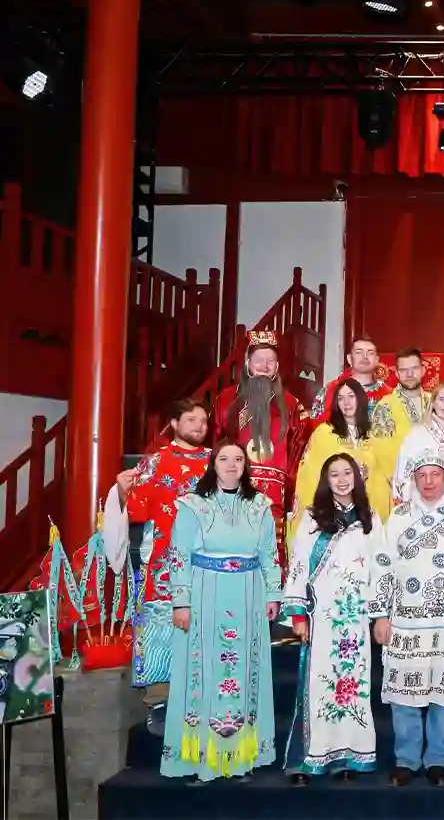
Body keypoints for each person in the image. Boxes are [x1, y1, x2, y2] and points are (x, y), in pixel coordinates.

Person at [159, 441, 282, 782]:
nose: (231, 465)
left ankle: (240, 756)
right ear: (213, 464)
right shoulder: (193, 505)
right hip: (204, 596)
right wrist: (181, 602)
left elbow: (270, 554)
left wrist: (273, 594)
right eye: (224, 459)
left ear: (246, 465)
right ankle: (201, 757)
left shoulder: (260, 506)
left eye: (238, 459)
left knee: (245, 670)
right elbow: (179, 556)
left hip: (249, 595)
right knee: (203, 672)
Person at [376, 450, 444, 787]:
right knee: (404, 691)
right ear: (413, 479)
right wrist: (380, 615)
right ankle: (406, 759)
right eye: (421, 475)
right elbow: (382, 565)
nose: (428, 482)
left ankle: (438, 759)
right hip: (405, 620)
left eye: (435, 474)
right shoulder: (399, 516)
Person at [102, 398, 210, 734]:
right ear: (174, 424)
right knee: (160, 628)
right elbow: (136, 510)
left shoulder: (217, 461)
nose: (199, 426)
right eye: (191, 419)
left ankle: (205, 699)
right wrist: (122, 493)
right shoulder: (154, 463)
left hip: (209, 560)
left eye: (203, 420)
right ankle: (159, 700)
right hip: (164, 559)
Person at [283, 454, 387, 784]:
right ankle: (309, 759)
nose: (342, 480)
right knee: (319, 685)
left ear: (357, 477)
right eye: (334, 474)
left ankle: (348, 756)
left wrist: (380, 615)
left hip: (356, 619)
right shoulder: (313, 518)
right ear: (325, 480)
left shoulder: (369, 518)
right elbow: (300, 565)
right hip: (322, 617)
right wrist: (298, 614)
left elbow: (381, 567)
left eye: (347, 473)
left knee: (353, 687)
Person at [212, 330, 308, 571]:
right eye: (258, 360)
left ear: (277, 366)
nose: (264, 366)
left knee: (271, 558)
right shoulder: (226, 400)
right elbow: (216, 445)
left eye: (270, 361)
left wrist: (290, 490)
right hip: (234, 492)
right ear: (247, 363)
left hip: (276, 496)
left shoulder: (292, 405)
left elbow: (300, 451)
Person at [294, 378, 396, 524]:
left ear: (360, 399)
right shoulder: (324, 434)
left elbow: (386, 472)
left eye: (351, 396)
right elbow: (310, 474)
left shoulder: (375, 434)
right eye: (340, 398)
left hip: (371, 510)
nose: (346, 403)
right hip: (334, 511)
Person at [393, 380, 444, 501]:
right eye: (442, 399)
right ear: (433, 403)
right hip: (424, 506)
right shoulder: (417, 435)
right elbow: (402, 477)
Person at [309, 334, 393, 423]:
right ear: (349, 359)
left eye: (370, 352)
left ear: (376, 360)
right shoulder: (331, 390)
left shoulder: (389, 394)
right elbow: (316, 426)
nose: (365, 357)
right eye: (359, 352)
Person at [374, 347, 433, 465]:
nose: (410, 374)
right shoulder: (385, 406)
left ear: (423, 370)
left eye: (414, 368)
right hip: (398, 472)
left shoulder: (434, 402)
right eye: (404, 370)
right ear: (397, 373)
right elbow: (380, 452)